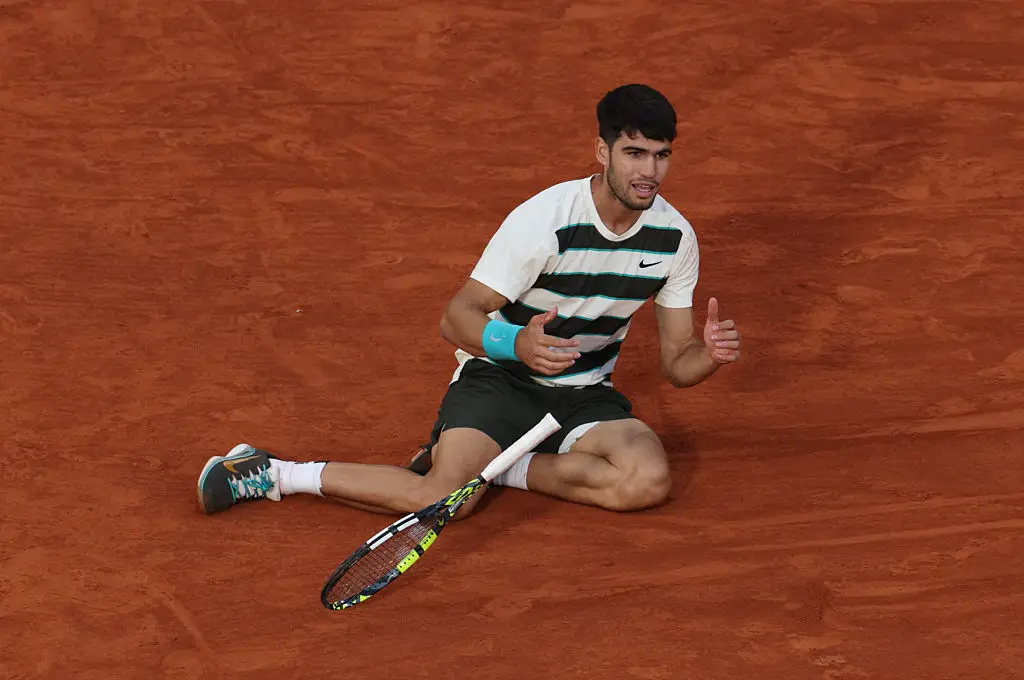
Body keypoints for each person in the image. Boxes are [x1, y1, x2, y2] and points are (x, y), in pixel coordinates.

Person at [196, 83, 742, 518]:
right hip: (501, 379)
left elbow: (677, 363)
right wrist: (517, 345)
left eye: (660, 156)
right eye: (634, 154)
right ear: (602, 152)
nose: (648, 172)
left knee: (646, 480)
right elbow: (456, 316)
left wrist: (708, 358)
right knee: (438, 498)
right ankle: (274, 472)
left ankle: (505, 466)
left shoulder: (674, 239)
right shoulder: (545, 221)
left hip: (583, 395)